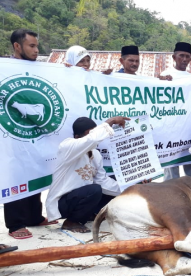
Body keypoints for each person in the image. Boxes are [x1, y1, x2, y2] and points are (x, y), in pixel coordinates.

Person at [4, 29, 58, 240]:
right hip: (12, 133)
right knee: (15, 173)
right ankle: (15, 223)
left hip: (37, 132)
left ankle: (34, 216)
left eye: (37, 46)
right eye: (32, 46)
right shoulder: (5, 68)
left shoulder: (41, 69)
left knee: (35, 170)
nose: (36, 50)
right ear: (17, 46)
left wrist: (74, 72)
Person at [45, 116, 129, 233]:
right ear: (77, 137)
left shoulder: (96, 154)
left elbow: (103, 181)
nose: (93, 137)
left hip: (81, 198)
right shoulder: (67, 146)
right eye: (88, 134)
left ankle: (89, 214)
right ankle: (71, 222)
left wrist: (130, 189)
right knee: (94, 190)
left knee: (115, 182)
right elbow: (92, 140)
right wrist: (110, 122)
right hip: (62, 203)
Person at [159, 42, 191, 181]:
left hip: (187, 128)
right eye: (181, 56)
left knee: (190, 165)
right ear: (174, 57)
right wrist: (159, 81)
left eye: (187, 56)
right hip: (170, 129)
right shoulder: (165, 75)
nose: (184, 59)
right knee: (171, 167)